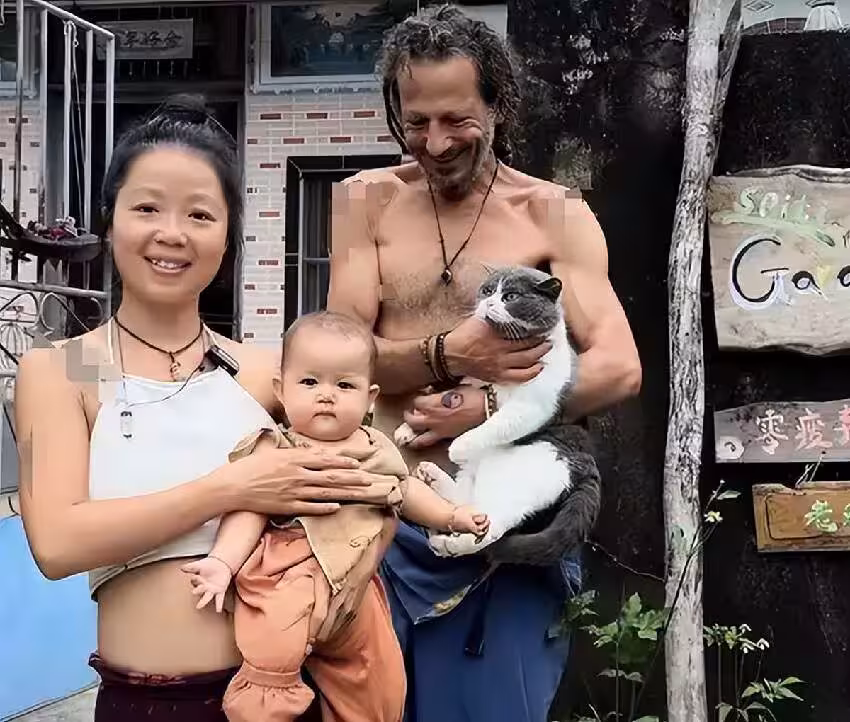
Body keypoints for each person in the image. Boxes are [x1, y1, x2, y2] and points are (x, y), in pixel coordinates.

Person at [14, 96, 401, 722]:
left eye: (199, 214)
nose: (172, 233)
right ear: (110, 221)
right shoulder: (63, 370)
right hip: (145, 702)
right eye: (147, 208)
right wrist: (231, 488)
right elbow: (57, 543)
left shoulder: (267, 373)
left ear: (226, 236)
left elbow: (369, 474)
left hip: (283, 696)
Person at [326, 5, 642, 722]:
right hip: (380, 516)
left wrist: (491, 407)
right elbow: (339, 360)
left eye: (456, 119)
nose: (435, 143)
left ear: (499, 105)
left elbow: (621, 367)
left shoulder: (552, 213)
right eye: (416, 122)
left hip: (501, 528)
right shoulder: (363, 203)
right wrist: (449, 353)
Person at [181, 310, 488, 722]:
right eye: (310, 382)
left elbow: (405, 491)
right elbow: (247, 509)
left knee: (379, 676)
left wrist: (451, 516)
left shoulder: (376, 448)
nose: (326, 395)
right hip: (289, 574)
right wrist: (223, 562)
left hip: (357, 586)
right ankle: (263, 707)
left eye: (344, 385)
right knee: (272, 657)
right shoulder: (276, 447)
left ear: (370, 398)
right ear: (281, 389)